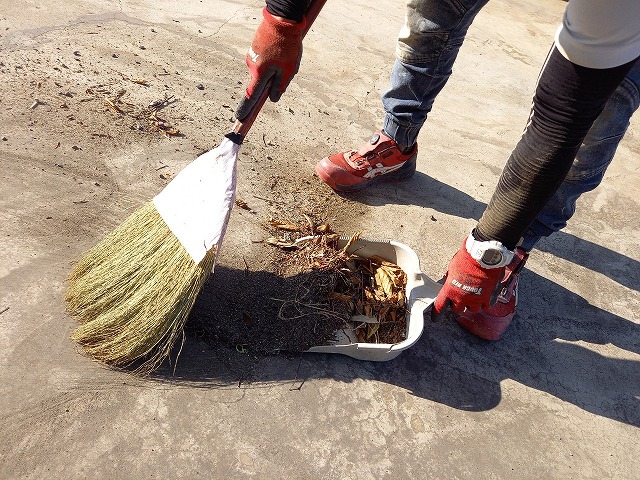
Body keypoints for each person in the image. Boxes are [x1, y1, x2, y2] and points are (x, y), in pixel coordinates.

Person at [236, 0, 640, 340]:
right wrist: (283, 23)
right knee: (434, 12)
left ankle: (517, 242)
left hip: (613, 26)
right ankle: (398, 142)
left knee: (601, 111)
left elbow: (559, 121)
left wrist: (489, 249)